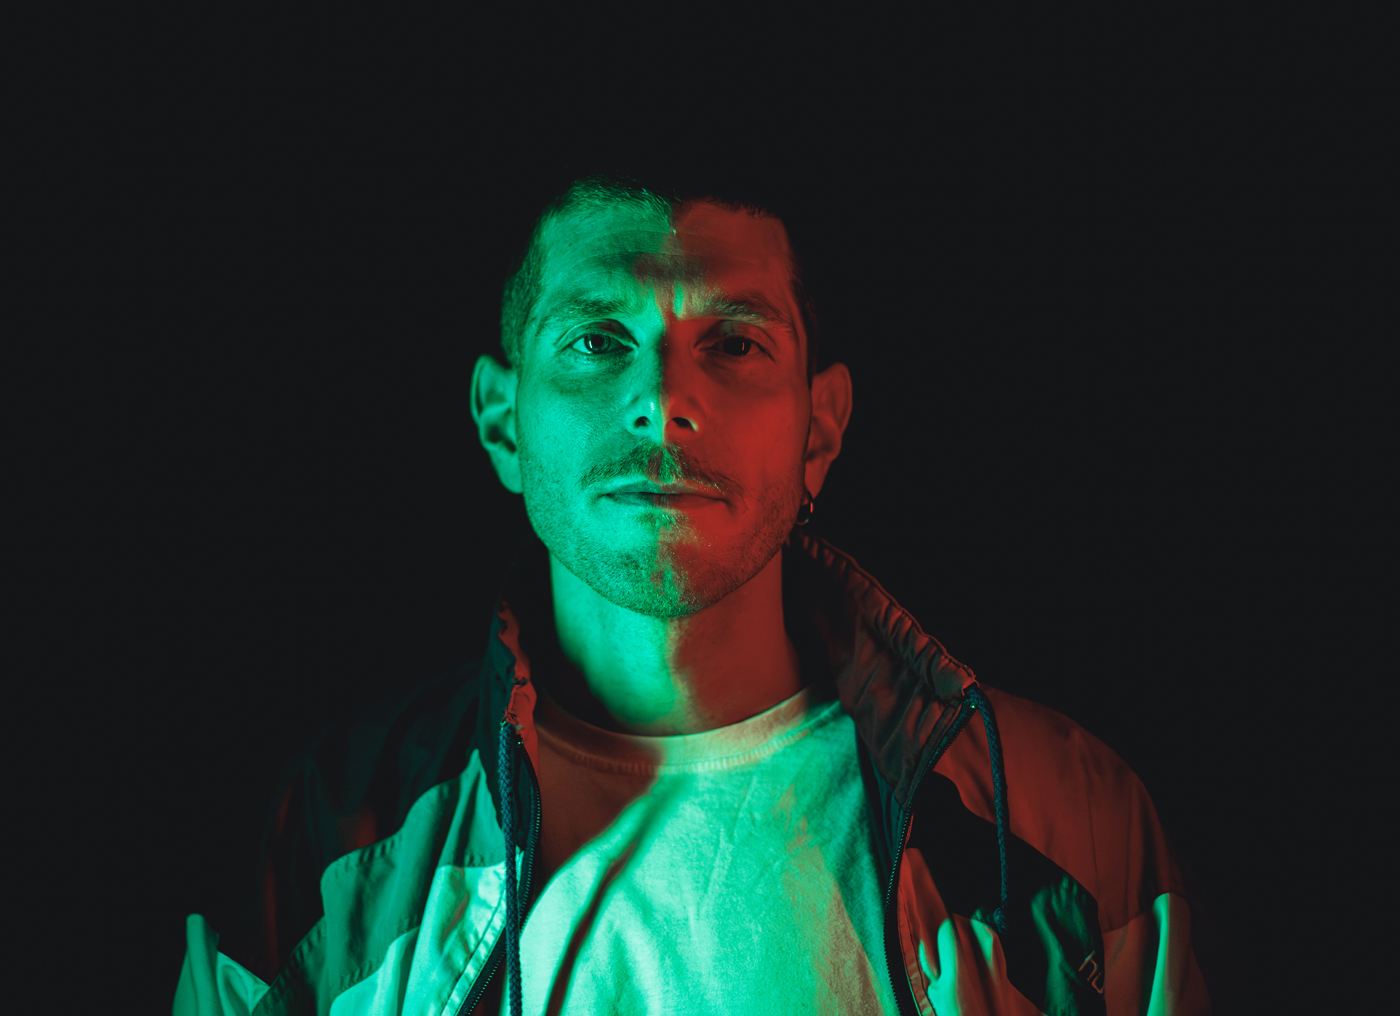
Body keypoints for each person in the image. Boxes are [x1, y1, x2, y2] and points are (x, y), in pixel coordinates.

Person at [174, 176, 1212, 1015]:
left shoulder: (1067, 813)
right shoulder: (327, 835)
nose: (666, 399)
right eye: (598, 339)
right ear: (502, 421)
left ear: (820, 428)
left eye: (735, 341)